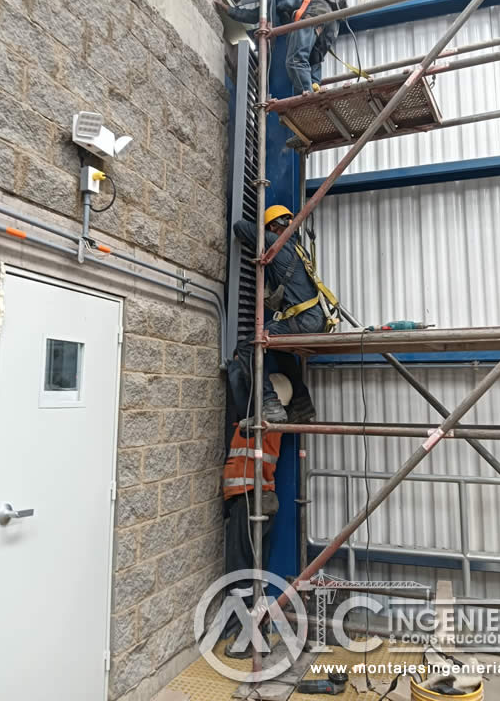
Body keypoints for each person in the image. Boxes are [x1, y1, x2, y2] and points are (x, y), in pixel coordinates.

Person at [233, 204, 339, 426]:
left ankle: (269, 404)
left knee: (248, 346)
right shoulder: (299, 250)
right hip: (316, 319)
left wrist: (263, 234)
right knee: (279, 350)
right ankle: (301, 405)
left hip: (302, 319)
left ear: (272, 227)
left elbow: (239, 227)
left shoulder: (275, 242)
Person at [221, 372, 291, 658]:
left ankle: (246, 639)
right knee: (253, 570)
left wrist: (237, 365)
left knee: (241, 572)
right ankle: (257, 632)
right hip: (259, 499)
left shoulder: (262, 424)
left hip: (251, 499)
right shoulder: (269, 423)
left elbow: (239, 388)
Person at [214, 0, 340, 97]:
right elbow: (262, 13)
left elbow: (262, 15)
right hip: (330, 17)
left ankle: (309, 99)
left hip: (313, 12)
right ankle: (315, 89)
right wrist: (229, 9)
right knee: (312, 60)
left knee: (295, 60)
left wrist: (265, 58)